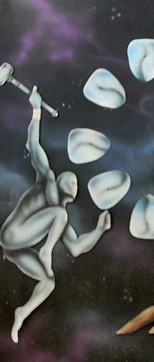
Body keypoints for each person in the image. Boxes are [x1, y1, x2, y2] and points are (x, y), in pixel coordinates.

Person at [0, 86, 111, 343]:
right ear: (60, 180)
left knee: (48, 281)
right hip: (12, 234)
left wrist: (99, 230)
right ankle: (45, 251)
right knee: (59, 215)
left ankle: (22, 312)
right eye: (71, 182)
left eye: (77, 186)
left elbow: (76, 248)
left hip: (15, 249)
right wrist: (36, 109)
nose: (75, 187)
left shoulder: (58, 219)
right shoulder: (47, 180)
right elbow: (33, 143)